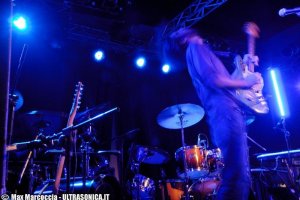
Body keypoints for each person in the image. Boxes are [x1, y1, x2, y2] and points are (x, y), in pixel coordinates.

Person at [163, 28, 261, 200]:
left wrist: (244, 67)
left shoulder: (200, 51)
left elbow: (225, 83)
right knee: (236, 179)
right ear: (183, 39)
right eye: (177, 31)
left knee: (240, 179)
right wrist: (245, 82)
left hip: (227, 113)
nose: (182, 27)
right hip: (226, 114)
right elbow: (213, 80)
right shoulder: (195, 47)